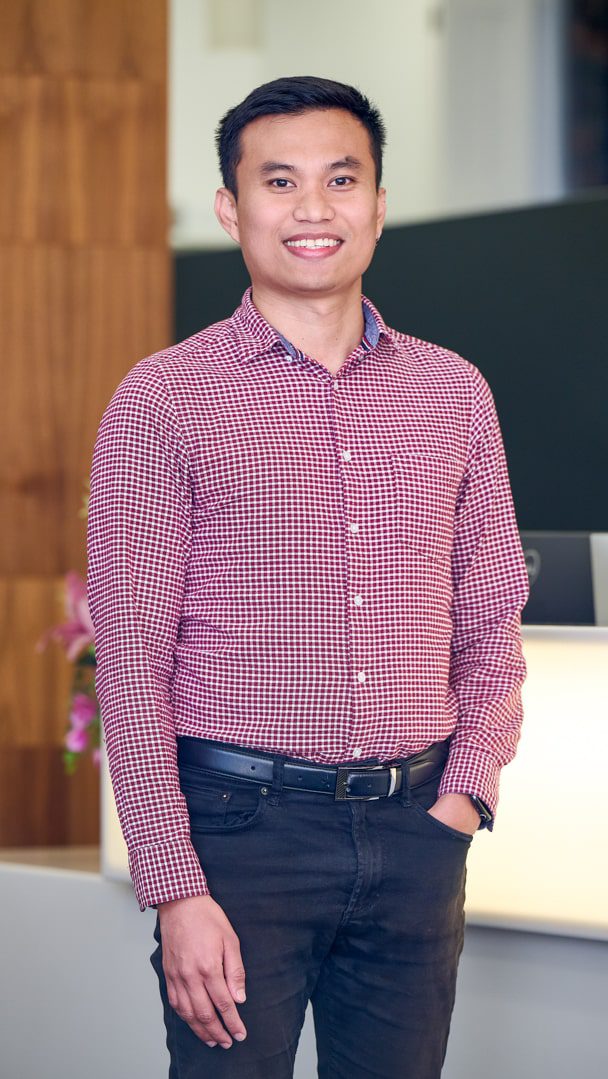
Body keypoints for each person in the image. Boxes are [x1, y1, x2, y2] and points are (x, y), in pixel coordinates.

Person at [86, 76, 530, 1078]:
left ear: (376, 203)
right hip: (241, 839)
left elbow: (490, 613)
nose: (313, 208)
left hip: (415, 829)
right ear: (230, 208)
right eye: (278, 181)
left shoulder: (452, 391)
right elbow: (133, 658)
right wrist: (174, 884)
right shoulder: (164, 398)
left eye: (341, 178)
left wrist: (461, 797)